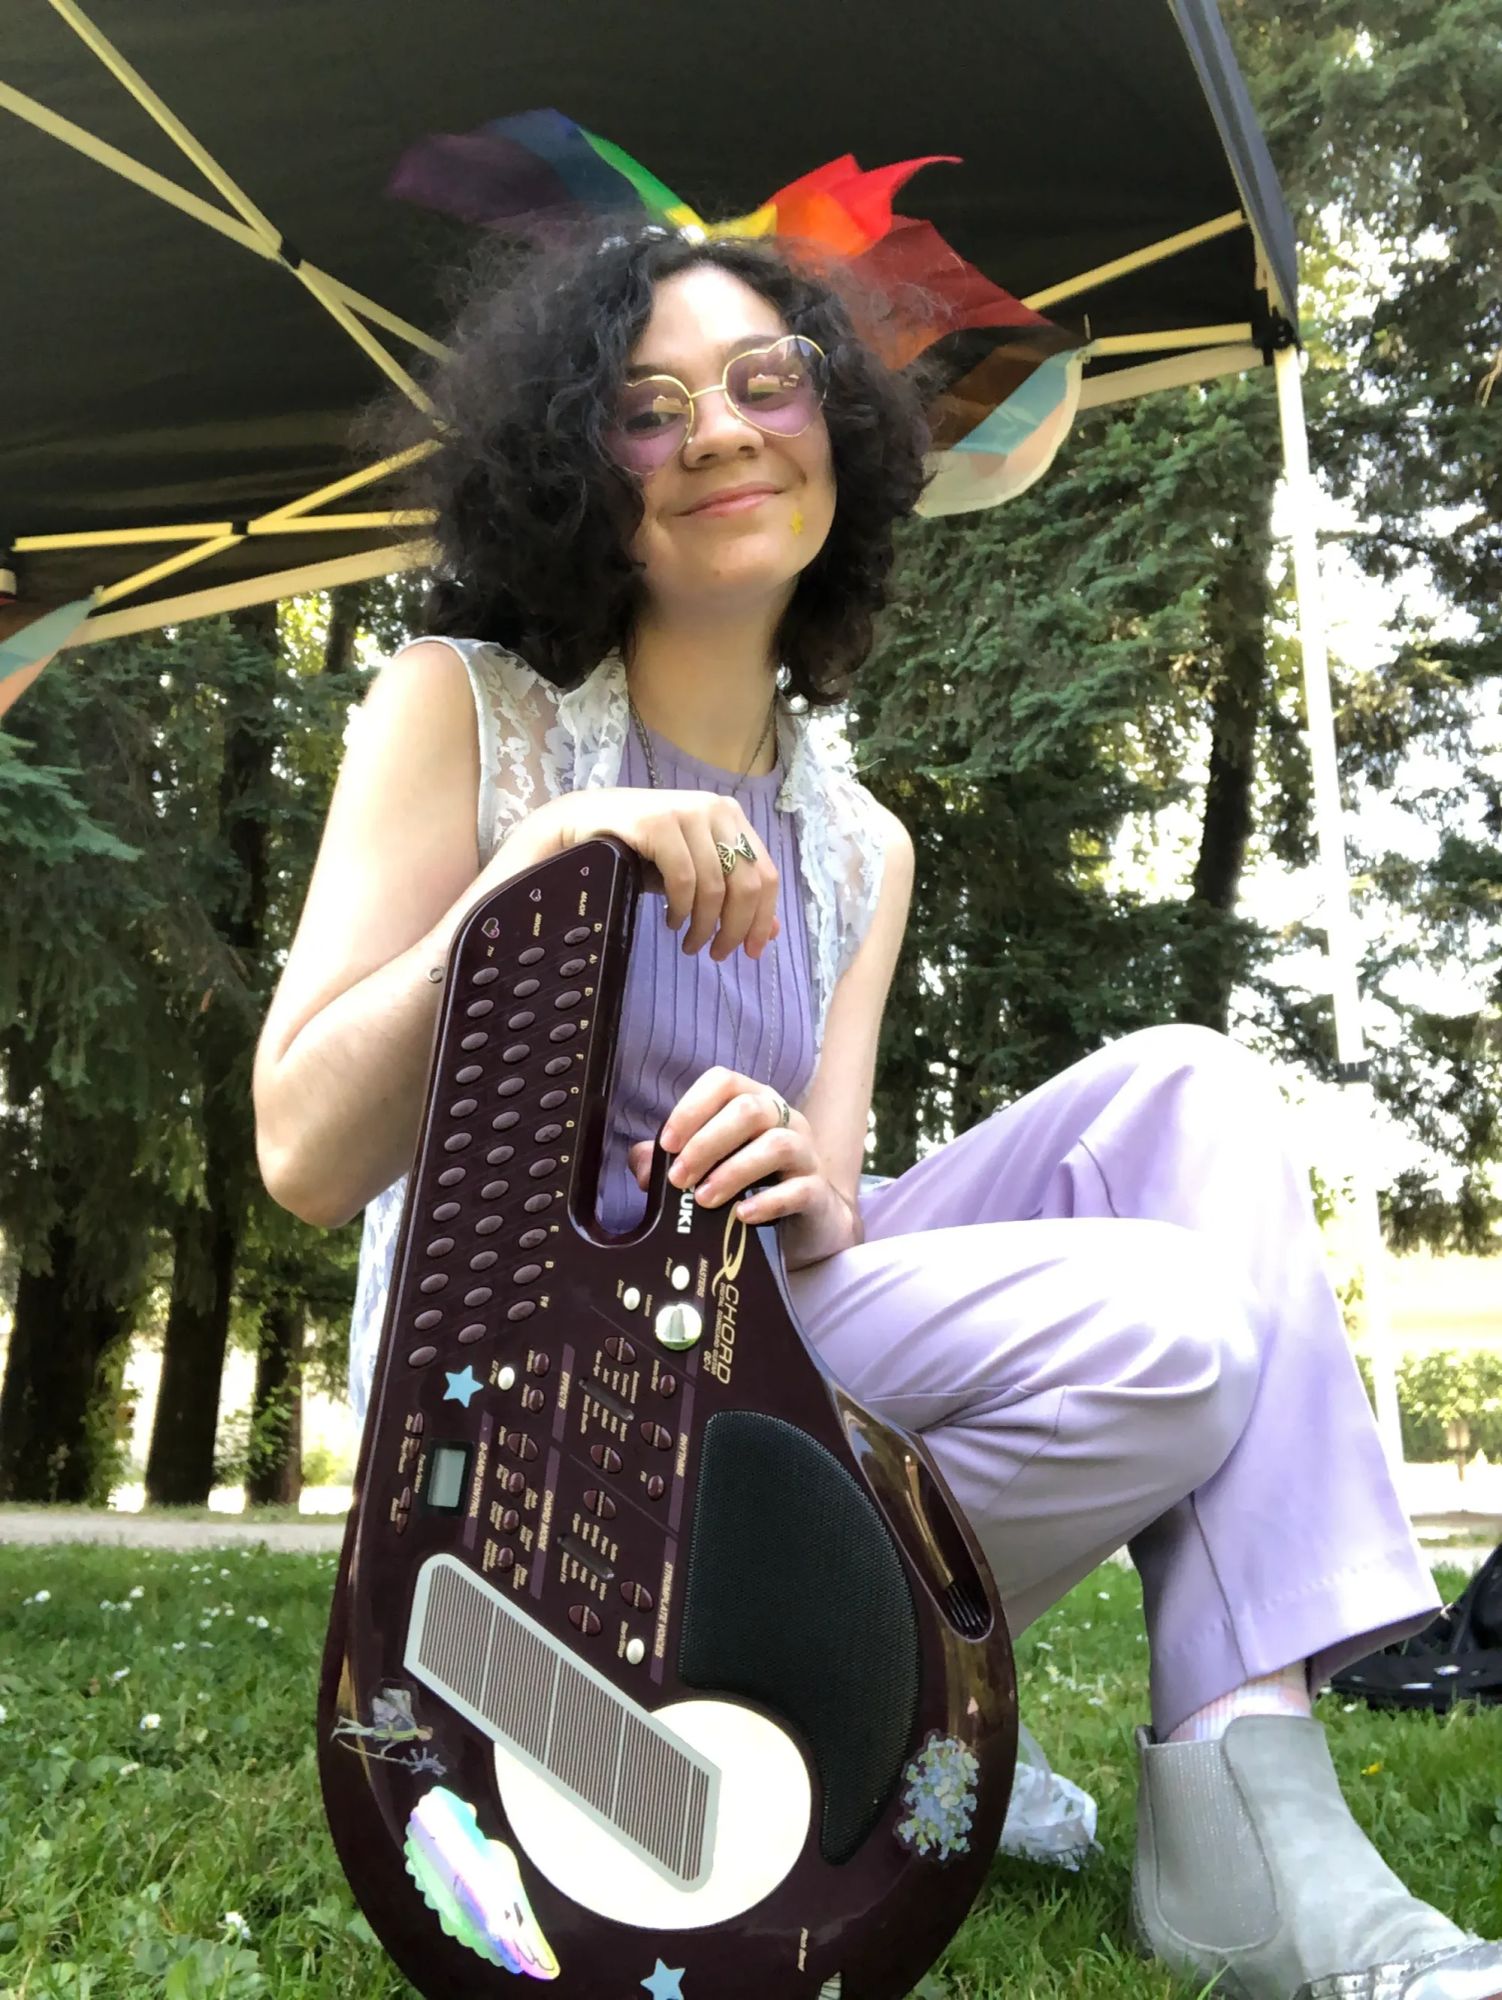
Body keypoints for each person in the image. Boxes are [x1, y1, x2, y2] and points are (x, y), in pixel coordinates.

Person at [252, 225, 1501, 2000]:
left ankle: (1248, 1799)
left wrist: (802, 1184)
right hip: (537, 1402)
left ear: (837, 428)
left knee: (1194, 1087)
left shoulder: (857, 843)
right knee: (1170, 1337)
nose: (722, 433)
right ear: (567, 464)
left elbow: (825, 1197)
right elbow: (303, 1156)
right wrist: (537, 876)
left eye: (769, 383)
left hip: (752, 1324)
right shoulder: (464, 715)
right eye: (646, 407)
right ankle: (890, 1687)